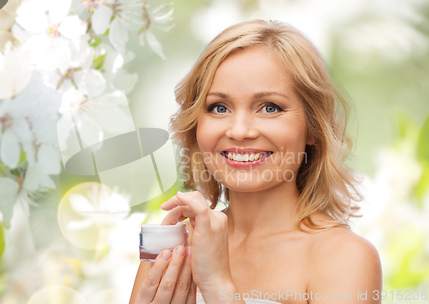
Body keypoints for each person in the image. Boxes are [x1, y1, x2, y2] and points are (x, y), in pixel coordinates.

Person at [129, 19, 382, 304]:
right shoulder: (175, 246)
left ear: (313, 127)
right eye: (219, 107)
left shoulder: (344, 257)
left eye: (270, 107)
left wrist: (217, 286)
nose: (239, 131)